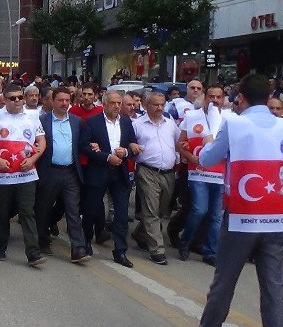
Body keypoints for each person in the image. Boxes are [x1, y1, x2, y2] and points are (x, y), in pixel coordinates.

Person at [175, 74, 283, 327]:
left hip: (242, 215)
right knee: (274, 289)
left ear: (241, 98)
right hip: (275, 216)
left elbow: (207, 158)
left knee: (224, 281)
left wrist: (206, 145)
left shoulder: (235, 124)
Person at [0, 84, 46, 266]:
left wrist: (34, 158)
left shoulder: (32, 117)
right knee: (1, 213)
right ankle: (1, 247)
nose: (18, 101)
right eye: (13, 98)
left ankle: (33, 253)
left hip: (26, 175)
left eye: (20, 97)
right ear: (4, 99)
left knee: (27, 212)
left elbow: (41, 141)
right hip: (2, 174)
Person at [34, 87, 91, 263]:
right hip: (49, 171)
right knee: (43, 208)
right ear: (52, 101)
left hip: (70, 172)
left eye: (67, 100)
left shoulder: (76, 121)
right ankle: (43, 240)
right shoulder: (41, 121)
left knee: (73, 210)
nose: (64, 103)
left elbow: (82, 144)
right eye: (60, 100)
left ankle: (78, 249)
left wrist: (93, 146)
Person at [80, 91, 137, 267]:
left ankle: (120, 250)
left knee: (121, 212)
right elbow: (83, 147)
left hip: (119, 173)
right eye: (113, 103)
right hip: (98, 171)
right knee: (91, 210)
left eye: (119, 103)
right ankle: (86, 241)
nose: (117, 106)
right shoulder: (92, 122)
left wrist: (126, 152)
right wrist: (106, 157)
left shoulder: (126, 122)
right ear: (104, 104)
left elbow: (132, 145)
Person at [177, 85, 228, 265]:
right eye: (211, 96)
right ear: (205, 97)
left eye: (218, 97)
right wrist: (191, 157)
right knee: (199, 210)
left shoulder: (229, 119)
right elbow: (180, 143)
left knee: (216, 215)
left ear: (223, 99)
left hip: (220, 174)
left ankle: (210, 252)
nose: (214, 100)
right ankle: (186, 241)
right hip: (198, 172)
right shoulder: (192, 116)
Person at [128, 92, 180, 265]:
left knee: (161, 210)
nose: (159, 108)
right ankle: (157, 250)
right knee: (151, 210)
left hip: (168, 173)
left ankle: (139, 233)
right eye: (155, 105)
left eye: (162, 105)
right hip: (147, 171)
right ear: (146, 105)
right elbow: (127, 143)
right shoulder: (137, 125)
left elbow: (178, 143)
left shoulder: (171, 124)